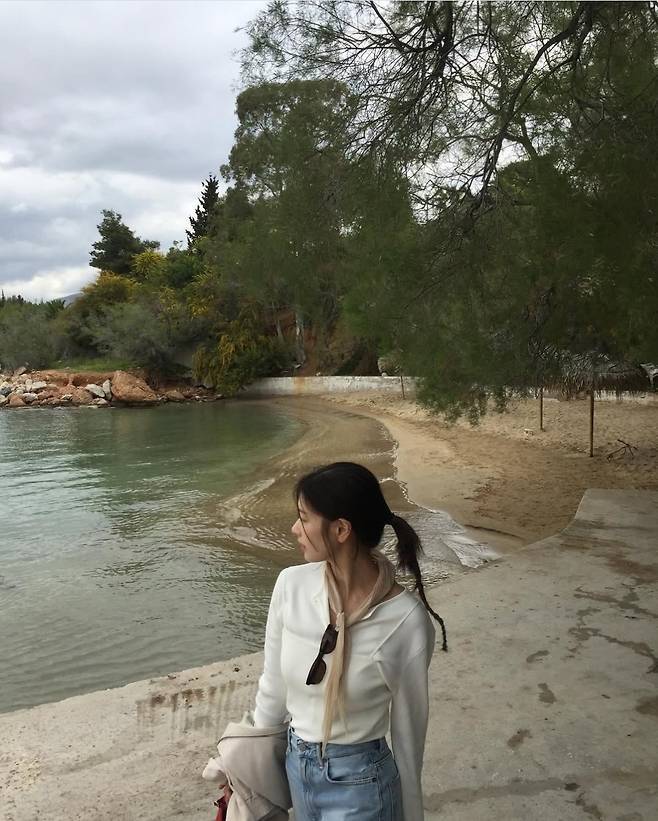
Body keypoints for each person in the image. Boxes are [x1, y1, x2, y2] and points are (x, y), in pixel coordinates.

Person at [249, 461, 447, 821]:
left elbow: (408, 735)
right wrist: (246, 765)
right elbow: (273, 689)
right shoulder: (290, 586)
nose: (294, 528)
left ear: (340, 529)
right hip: (297, 770)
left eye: (304, 518)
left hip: (363, 784)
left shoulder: (405, 621)